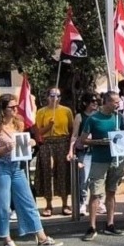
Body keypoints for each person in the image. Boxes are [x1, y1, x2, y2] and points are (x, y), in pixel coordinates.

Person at [0, 95, 62, 246]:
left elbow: (27, 140)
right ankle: (6, 238)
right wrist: (4, 149)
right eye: (11, 107)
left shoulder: (17, 125)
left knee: (28, 201)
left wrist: (31, 143)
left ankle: (41, 236)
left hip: (17, 166)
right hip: (1, 166)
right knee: (3, 204)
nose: (15, 110)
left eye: (16, 107)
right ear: (2, 109)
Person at [79, 91, 124, 240]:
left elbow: (123, 138)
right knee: (95, 193)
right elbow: (83, 140)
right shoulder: (93, 119)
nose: (117, 104)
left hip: (116, 160)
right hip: (99, 160)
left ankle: (110, 224)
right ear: (106, 102)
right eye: (114, 102)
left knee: (111, 192)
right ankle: (92, 227)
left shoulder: (119, 118)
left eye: (118, 101)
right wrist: (99, 142)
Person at [33, 88, 73, 218]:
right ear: (48, 97)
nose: (55, 98)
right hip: (47, 143)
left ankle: (65, 203)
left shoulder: (66, 111)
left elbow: (71, 129)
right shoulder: (41, 112)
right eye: (52, 95)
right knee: (47, 172)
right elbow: (38, 133)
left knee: (63, 172)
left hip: (63, 142)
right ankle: (48, 204)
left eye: (58, 96)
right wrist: (49, 127)